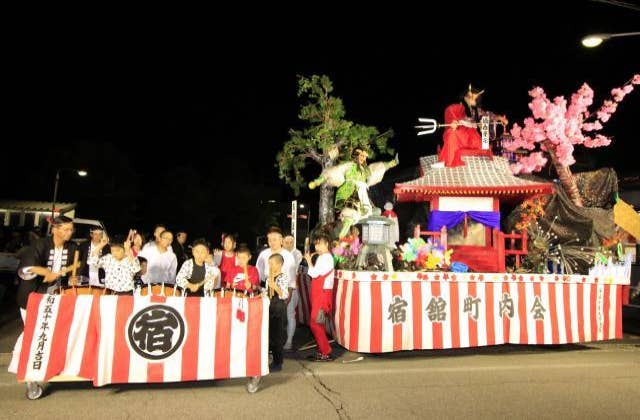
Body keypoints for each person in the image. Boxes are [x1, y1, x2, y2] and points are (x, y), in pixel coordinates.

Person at [8, 216, 80, 373]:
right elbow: (29, 266)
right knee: (32, 330)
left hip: (55, 296)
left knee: (50, 330)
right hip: (33, 294)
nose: (70, 232)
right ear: (55, 229)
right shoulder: (39, 244)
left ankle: (47, 363)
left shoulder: (73, 247)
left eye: (71, 229)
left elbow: (75, 268)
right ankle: (19, 363)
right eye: (66, 229)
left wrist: (73, 277)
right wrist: (46, 272)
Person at [310, 147, 398, 238]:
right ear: (356, 155)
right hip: (350, 188)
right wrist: (319, 181)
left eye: (364, 157)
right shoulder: (350, 165)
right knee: (352, 205)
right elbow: (337, 170)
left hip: (362, 192)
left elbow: (376, 169)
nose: (363, 158)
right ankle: (346, 223)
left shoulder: (365, 170)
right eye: (361, 156)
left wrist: (391, 163)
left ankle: (348, 224)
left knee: (363, 210)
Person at [438, 84, 508, 167]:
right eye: (470, 96)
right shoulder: (457, 106)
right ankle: (449, 160)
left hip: (472, 137)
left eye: (474, 98)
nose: (472, 99)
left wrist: (499, 117)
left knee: (484, 146)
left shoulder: (476, 111)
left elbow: (487, 115)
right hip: (460, 135)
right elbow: (449, 111)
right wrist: (453, 122)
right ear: (465, 96)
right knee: (451, 134)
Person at [305, 232, 335, 362]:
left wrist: (308, 261)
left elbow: (315, 274)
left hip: (322, 295)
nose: (317, 248)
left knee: (315, 323)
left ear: (326, 244)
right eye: (316, 245)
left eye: (320, 244)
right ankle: (322, 349)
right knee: (318, 323)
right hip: (319, 294)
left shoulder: (326, 258)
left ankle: (326, 351)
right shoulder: (323, 257)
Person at [266, 253, 289, 372]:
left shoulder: (283, 277)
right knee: (269, 334)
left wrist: (274, 286)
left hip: (279, 306)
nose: (270, 266)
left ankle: (278, 362)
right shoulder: (269, 277)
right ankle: (271, 359)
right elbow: (266, 292)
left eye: (272, 263)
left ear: (279, 264)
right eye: (269, 263)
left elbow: (285, 294)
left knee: (277, 336)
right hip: (269, 306)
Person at [256, 227, 295, 291]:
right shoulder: (263, 254)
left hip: (282, 289)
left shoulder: (288, 256)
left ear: (281, 240)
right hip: (265, 289)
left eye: (274, 240)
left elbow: (292, 278)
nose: (272, 242)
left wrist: (289, 293)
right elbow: (258, 273)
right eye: (270, 240)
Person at [282, 234, 302, 351]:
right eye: (287, 242)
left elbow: (293, 270)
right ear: (282, 242)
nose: (289, 244)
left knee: (290, 314)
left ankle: (289, 341)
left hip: (292, 287)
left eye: (291, 242)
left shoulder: (297, 254)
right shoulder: (279, 252)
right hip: (279, 287)